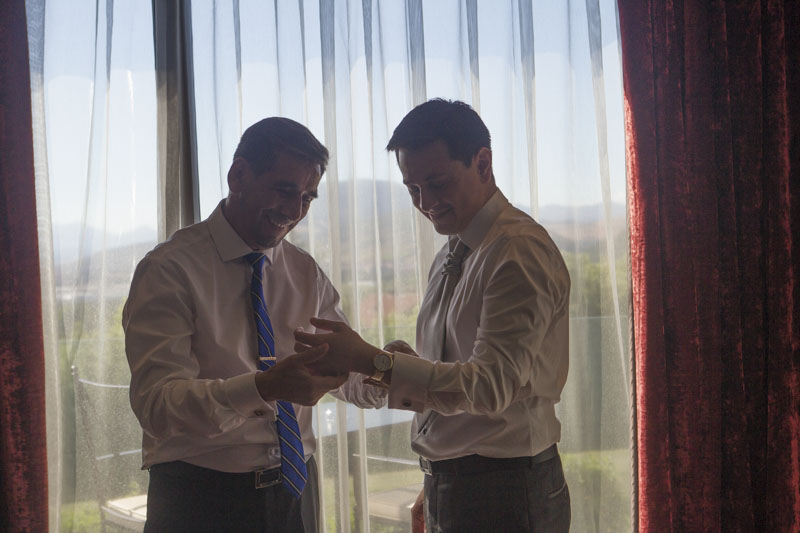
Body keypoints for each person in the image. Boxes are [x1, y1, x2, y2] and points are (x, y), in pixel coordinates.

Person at [295, 99, 571, 532]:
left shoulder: (517, 252)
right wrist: (437, 477)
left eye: (438, 183)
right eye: (413, 189)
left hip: (506, 490)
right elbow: (461, 379)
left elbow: (490, 387)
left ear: (483, 164)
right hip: (460, 481)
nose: (426, 203)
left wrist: (374, 361)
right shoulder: (451, 253)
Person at [123, 117, 386, 533]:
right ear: (238, 176)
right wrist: (263, 388)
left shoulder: (305, 272)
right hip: (200, 499)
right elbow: (157, 407)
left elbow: (346, 375)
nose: (295, 211)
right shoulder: (169, 269)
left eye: (307, 198)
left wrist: (386, 369)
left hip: (296, 492)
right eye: (284, 190)